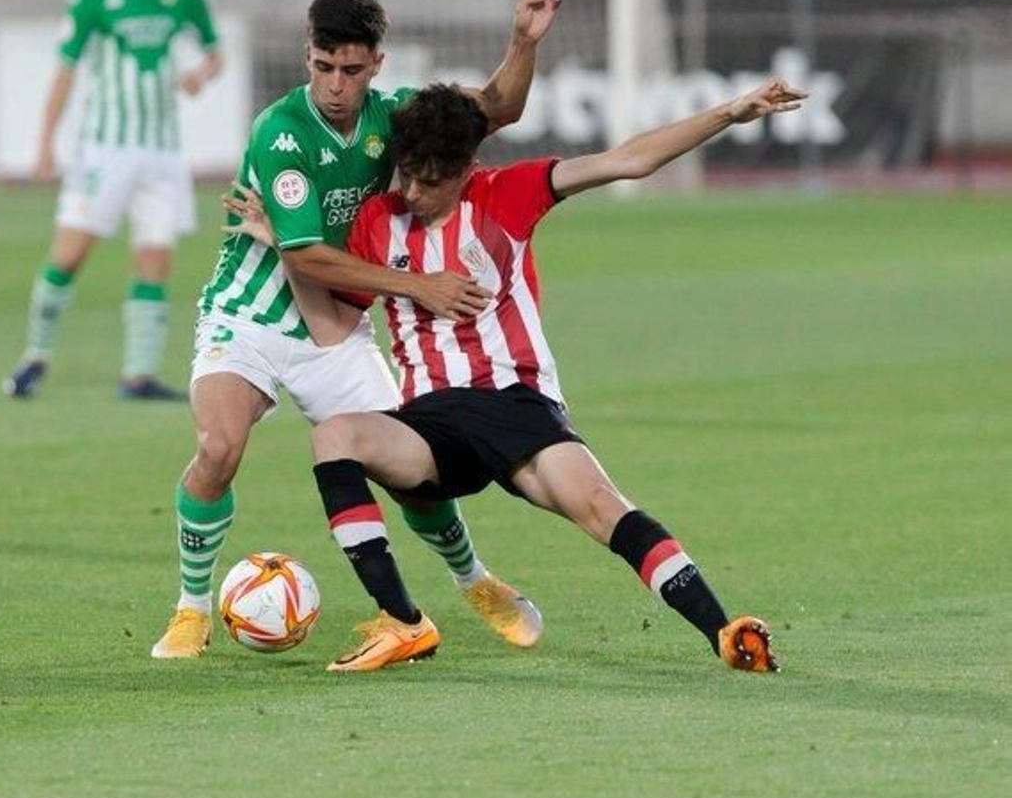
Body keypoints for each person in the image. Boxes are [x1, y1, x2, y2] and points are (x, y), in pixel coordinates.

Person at [231, 80, 798, 672]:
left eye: (431, 180)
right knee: (333, 436)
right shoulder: (379, 219)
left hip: (514, 404)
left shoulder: (507, 193)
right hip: (430, 425)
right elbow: (330, 328)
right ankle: (403, 623)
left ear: (465, 170)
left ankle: (724, 631)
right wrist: (287, 250)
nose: (415, 192)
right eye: (407, 176)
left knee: (601, 505)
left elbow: (628, 160)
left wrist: (729, 113)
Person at [151, 0, 563, 659]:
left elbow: (497, 107)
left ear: (377, 62)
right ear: (306, 56)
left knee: (411, 466)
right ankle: (191, 607)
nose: (335, 85)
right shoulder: (281, 132)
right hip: (250, 314)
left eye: (350, 69)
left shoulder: (394, 117)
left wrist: (522, 42)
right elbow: (307, 255)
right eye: (322, 66)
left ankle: (475, 579)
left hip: (336, 327)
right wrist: (416, 285)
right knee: (219, 446)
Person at [5, 0, 223, 401]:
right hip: (104, 148)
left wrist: (200, 75)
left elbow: (215, 53)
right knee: (69, 255)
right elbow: (66, 68)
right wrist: (44, 143)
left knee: (154, 259)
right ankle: (34, 356)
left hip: (162, 152)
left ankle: (139, 375)